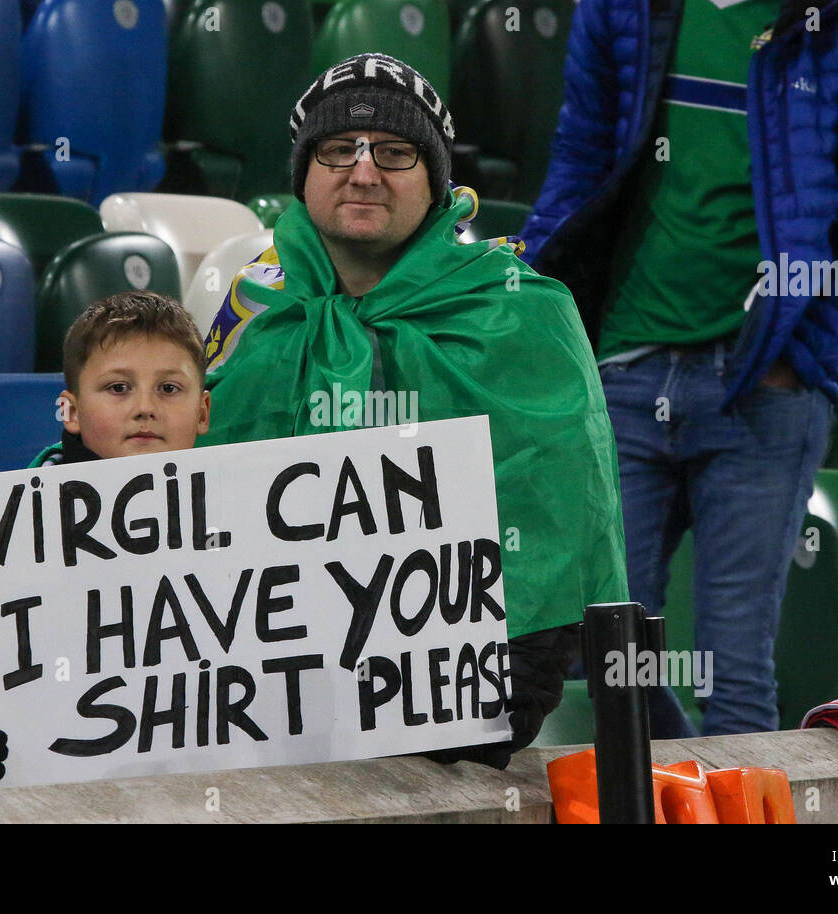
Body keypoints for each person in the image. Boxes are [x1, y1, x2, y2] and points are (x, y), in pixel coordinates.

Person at [201, 53, 636, 767]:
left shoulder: (521, 310)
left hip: (452, 715)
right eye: (337, 149)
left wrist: (511, 682)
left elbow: (564, 516)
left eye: (395, 152)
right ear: (304, 172)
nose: (363, 171)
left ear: (435, 179)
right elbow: (181, 490)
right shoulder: (255, 306)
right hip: (265, 709)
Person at [521, 0, 838, 734]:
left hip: (765, 390)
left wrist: (804, 352)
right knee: (598, 657)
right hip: (623, 369)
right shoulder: (620, 10)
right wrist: (543, 316)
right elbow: (578, 166)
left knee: (734, 678)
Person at [0, 291, 212, 790]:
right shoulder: (6, 530)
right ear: (72, 412)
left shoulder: (244, 520)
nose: (145, 408)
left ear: (203, 409)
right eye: (119, 387)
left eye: (169, 388)